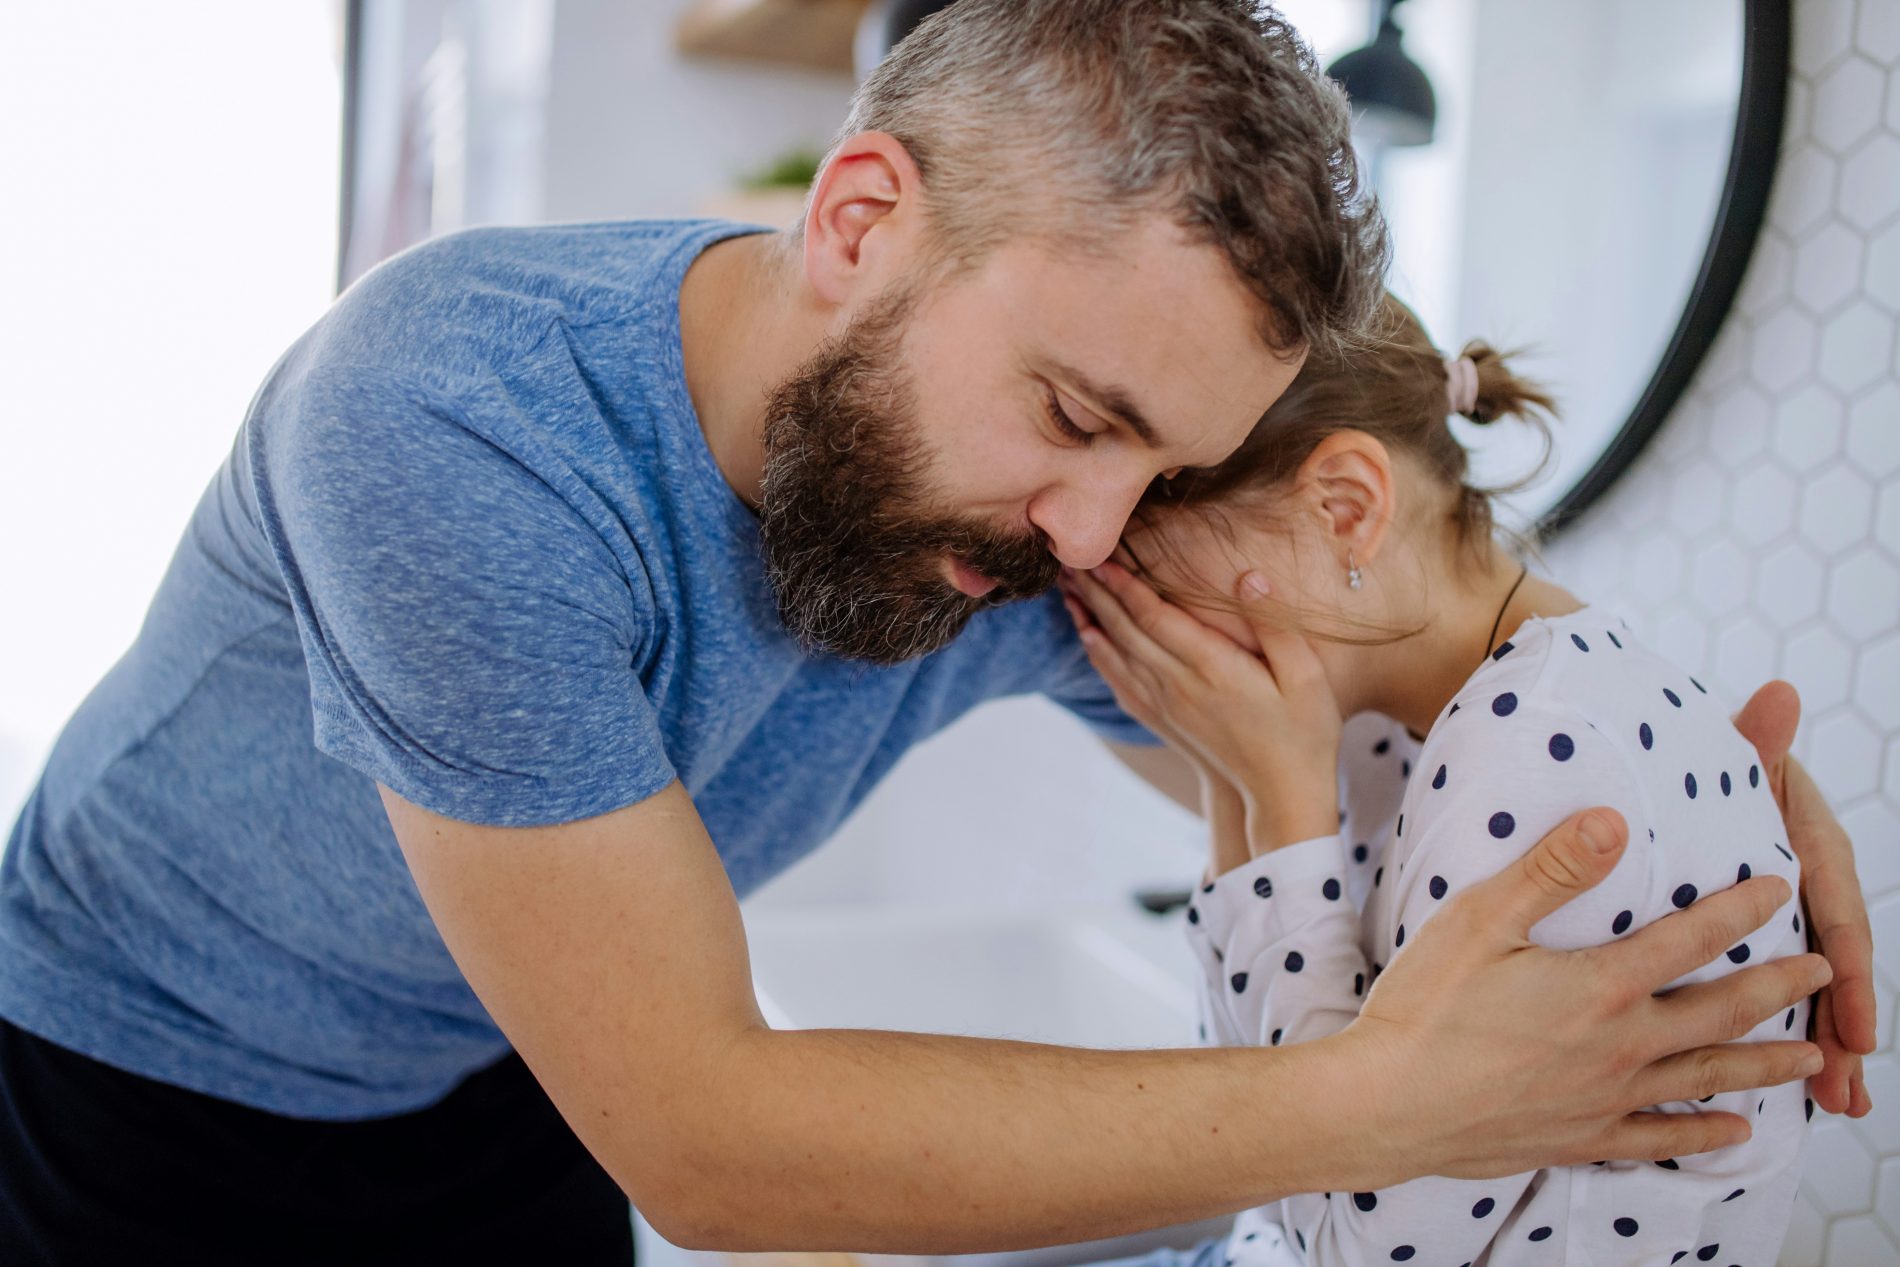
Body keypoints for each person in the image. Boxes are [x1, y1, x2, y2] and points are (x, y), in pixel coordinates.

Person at [0, 3, 1869, 1263]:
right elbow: (708, 1136)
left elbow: (1399, 684)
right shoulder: (451, 427)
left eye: (1161, 467)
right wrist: (1378, 1098)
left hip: (503, 1072)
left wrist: (1715, 799)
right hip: (143, 1071)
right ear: (862, 218)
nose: (1095, 539)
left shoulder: (1045, 518)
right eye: (1074, 415)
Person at [1061, 295, 1819, 1264]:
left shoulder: (1538, 749)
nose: (1157, 635)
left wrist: (1281, 799)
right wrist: (1232, 776)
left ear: (1345, 507)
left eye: (1153, 581)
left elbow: (1347, 1244)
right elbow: (1246, 1117)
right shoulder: (1430, 715)